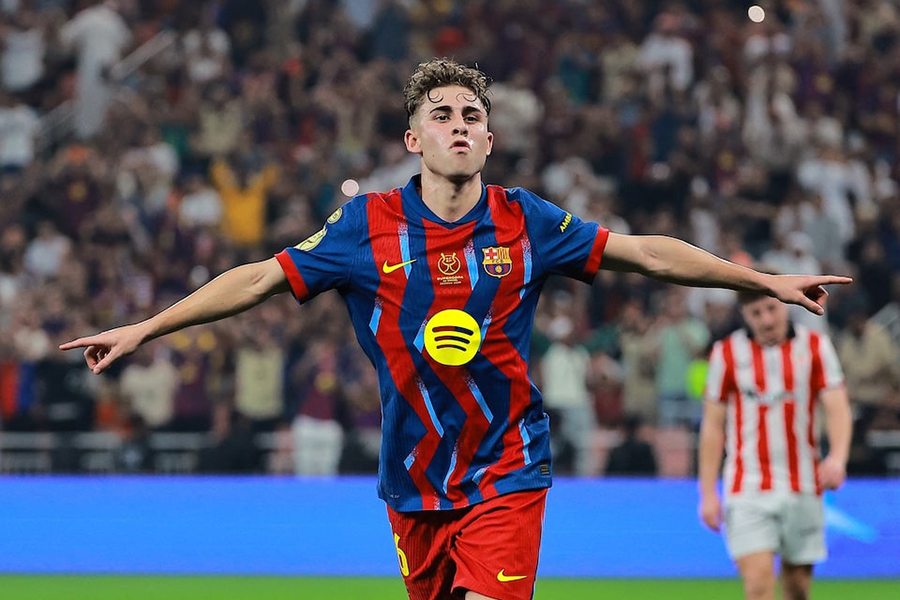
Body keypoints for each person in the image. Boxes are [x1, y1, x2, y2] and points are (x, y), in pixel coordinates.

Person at [61, 59, 850, 600]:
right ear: (414, 140)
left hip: (509, 463)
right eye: (441, 115)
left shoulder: (526, 220)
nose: (460, 124)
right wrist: (148, 327)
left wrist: (763, 281)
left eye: (473, 115)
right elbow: (261, 277)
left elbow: (644, 253)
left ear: (490, 138)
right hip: (413, 478)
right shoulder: (365, 227)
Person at [697, 285, 852, 600]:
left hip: (804, 485)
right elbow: (713, 426)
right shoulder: (725, 353)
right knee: (758, 587)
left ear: (786, 305)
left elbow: (837, 407)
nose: (766, 320)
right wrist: (707, 493)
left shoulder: (815, 347)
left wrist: (837, 457)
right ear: (744, 315)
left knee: (797, 590)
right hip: (747, 486)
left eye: (772, 309)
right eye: (756, 313)